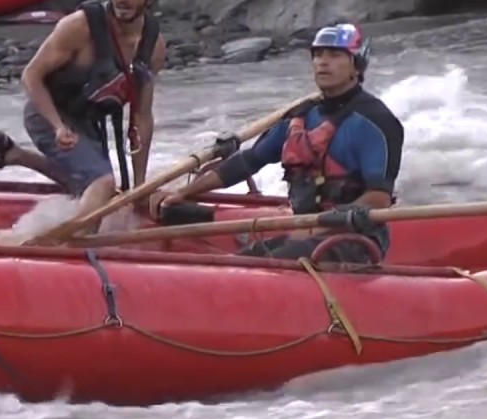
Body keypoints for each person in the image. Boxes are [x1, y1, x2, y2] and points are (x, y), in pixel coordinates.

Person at [149, 22, 405, 264]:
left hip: (356, 238)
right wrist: (184, 193)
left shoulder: (376, 121)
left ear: (356, 66)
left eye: (335, 55)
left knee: (270, 264)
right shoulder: (302, 115)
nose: (323, 63)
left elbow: (378, 198)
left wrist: (320, 225)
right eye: (317, 55)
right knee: (244, 261)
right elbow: (249, 161)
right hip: (304, 228)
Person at [0, 0, 168, 230]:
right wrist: (57, 126)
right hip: (48, 113)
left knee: (103, 190)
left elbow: (141, 117)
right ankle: (73, 242)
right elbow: (31, 75)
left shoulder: (153, 47)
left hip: (86, 120)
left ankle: (10, 153)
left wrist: (141, 186)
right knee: (103, 183)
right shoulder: (79, 27)